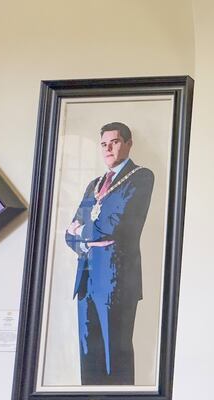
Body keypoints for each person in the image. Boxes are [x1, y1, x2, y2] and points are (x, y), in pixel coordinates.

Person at [65, 122, 154, 385]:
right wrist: (86, 237)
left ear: (128, 143)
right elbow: (69, 232)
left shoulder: (141, 177)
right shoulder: (94, 184)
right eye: (104, 144)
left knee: (115, 353)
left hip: (117, 280)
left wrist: (84, 232)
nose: (108, 148)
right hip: (87, 278)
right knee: (87, 351)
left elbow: (114, 224)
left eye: (114, 142)